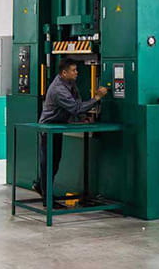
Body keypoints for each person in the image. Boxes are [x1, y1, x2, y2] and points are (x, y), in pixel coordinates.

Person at [35, 57, 108, 198]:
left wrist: (83, 118)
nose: (76, 73)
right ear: (64, 73)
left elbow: (77, 102)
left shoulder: (70, 83)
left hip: (58, 126)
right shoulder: (59, 90)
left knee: (55, 162)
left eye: (76, 70)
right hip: (48, 128)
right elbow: (75, 108)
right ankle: (47, 198)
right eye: (73, 70)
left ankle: (40, 186)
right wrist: (97, 98)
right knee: (49, 163)